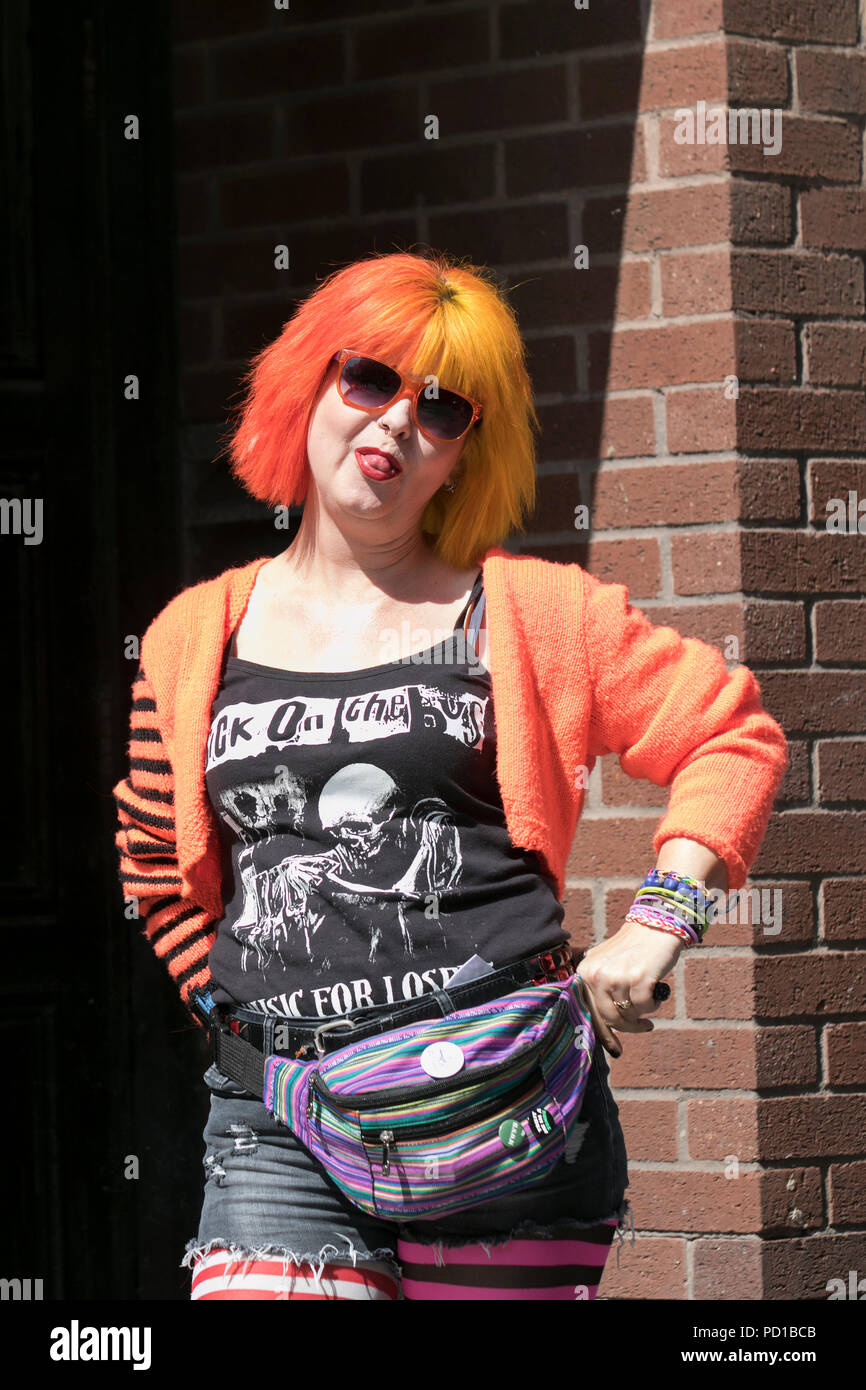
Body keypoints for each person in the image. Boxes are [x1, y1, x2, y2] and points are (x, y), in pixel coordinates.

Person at [112, 249, 789, 1301]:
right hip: (278, 1122)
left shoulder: (534, 613)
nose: (394, 422)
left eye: (439, 409)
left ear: (463, 453)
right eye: (368, 379)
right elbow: (153, 858)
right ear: (308, 386)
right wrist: (244, 1013)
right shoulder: (194, 633)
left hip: (503, 1112)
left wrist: (659, 917)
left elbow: (729, 735)